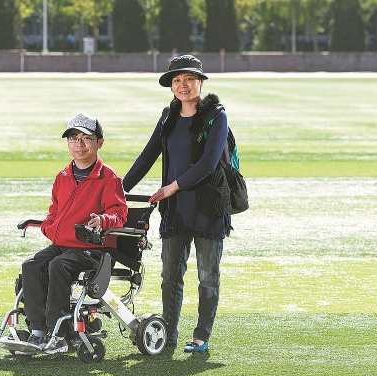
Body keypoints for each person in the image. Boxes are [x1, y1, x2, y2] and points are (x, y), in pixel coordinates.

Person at [123, 55, 231, 353]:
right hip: (176, 211)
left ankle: (201, 335)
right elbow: (147, 157)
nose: (183, 85)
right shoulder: (167, 117)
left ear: (201, 82)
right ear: (171, 86)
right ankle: (168, 333)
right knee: (170, 275)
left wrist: (172, 186)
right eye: (177, 80)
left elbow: (208, 163)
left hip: (209, 209)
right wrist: (117, 191)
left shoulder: (217, 116)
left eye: (189, 79)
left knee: (207, 276)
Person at [18, 112, 128, 355]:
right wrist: (48, 227)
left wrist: (103, 220)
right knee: (31, 266)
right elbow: (54, 210)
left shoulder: (109, 178)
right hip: (62, 245)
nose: (79, 144)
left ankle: (58, 334)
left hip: (93, 248)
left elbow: (119, 213)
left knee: (58, 265)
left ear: (99, 142)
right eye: (73, 138)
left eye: (86, 138)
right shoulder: (63, 176)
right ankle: (38, 332)